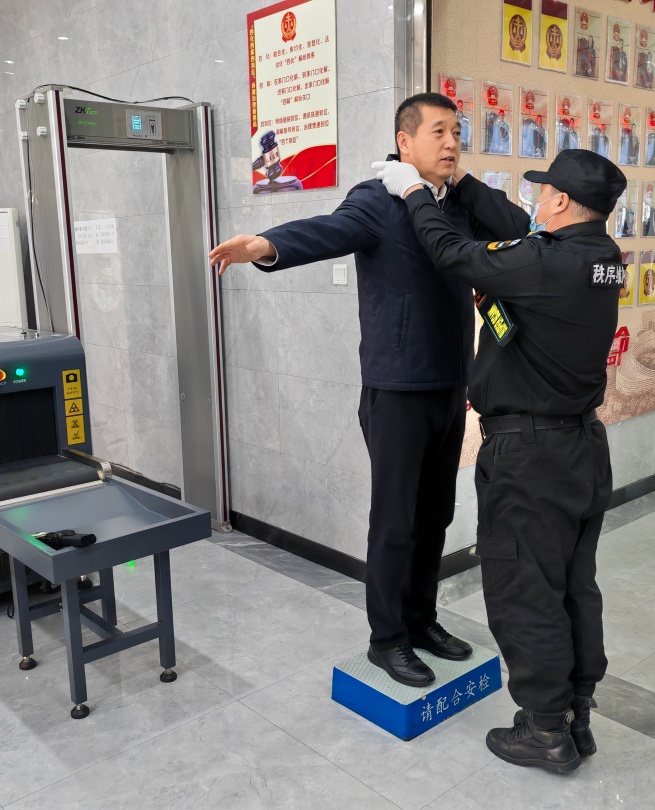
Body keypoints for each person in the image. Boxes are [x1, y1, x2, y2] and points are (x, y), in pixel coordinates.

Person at [209, 93, 491, 688]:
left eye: (456, 133)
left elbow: (512, 232)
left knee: (435, 515)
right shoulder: (378, 199)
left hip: (449, 384)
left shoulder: (456, 205)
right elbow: (327, 231)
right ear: (404, 141)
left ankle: (421, 620)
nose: (451, 143)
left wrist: (464, 184)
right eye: (439, 132)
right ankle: (387, 638)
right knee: (395, 521)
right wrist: (266, 245)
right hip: (397, 389)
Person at [374, 149, 626, 775]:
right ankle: (576, 714)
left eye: (543, 193)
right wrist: (459, 181)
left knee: (524, 590)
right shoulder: (599, 259)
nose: (535, 202)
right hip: (581, 450)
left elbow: (453, 254)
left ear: (560, 201)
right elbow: (518, 228)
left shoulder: (545, 262)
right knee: (573, 586)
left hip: (530, 458)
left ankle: (545, 730)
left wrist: (414, 193)